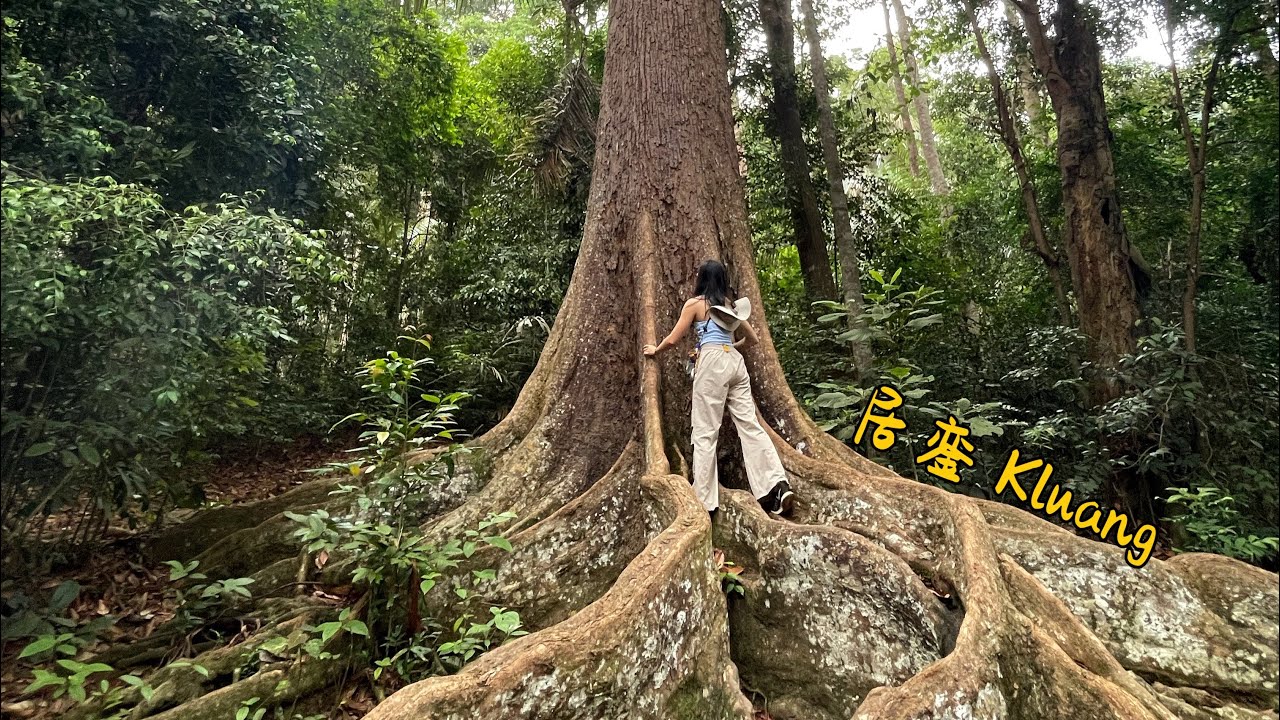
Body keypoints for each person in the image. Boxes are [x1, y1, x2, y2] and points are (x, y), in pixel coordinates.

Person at [643, 260, 796, 517]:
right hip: (735, 363)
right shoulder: (729, 306)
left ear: (701, 279)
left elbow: (673, 338)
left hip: (712, 364)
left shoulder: (695, 304)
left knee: (705, 432)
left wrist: (654, 350)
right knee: (750, 426)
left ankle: (705, 502)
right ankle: (777, 486)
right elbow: (752, 339)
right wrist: (729, 348)